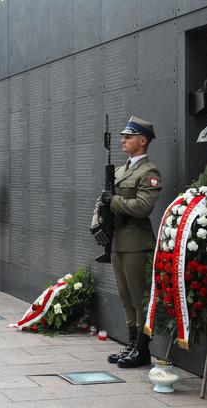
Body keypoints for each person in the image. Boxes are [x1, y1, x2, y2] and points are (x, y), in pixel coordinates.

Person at [91, 116, 162, 369]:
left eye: (129, 136)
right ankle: (132, 343)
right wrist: (97, 223)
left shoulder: (149, 172)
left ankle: (143, 347)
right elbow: (102, 200)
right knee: (125, 296)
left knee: (138, 295)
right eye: (123, 136)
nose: (123, 140)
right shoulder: (120, 171)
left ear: (142, 141)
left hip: (136, 242)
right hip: (118, 242)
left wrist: (114, 202)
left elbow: (143, 207)